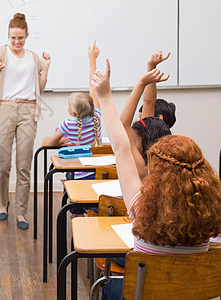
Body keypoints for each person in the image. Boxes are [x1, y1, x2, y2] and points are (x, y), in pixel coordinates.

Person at [91, 59, 221, 300]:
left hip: (147, 293)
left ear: (157, 167)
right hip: (195, 293)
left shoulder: (141, 208)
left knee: (111, 288)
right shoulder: (212, 217)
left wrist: (105, 96)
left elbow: (120, 147)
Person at [0, 13, 51, 229]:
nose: (16, 42)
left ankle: (22, 212)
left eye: (20, 38)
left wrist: (46, 68)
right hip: (5, 109)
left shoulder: (34, 58)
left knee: (24, 165)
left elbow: (40, 88)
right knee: (3, 163)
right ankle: (3, 204)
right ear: (8, 36)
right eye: (13, 38)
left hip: (28, 110)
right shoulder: (1, 52)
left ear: (27, 36)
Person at [48, 41, 103, 180]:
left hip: (77, 176)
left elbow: (51, 143)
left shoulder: (67, 125)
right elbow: (93, 87)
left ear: (72, 112)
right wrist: (92, 60)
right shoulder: (97, 116)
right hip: (96, 174)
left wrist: (67, 140)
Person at [119, 61, 171, 180]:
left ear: (146, 144)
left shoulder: (142, 168)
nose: (130, 142)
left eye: (134, 141)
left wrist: (141, 83)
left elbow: (124, 123)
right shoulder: (167, 165)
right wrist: (151, 69)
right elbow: (149, 103)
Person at [138, 51, 177, 129]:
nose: (139, 123)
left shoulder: (149, 135)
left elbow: (149, 102)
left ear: (159, 118)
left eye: (141, 118)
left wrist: (151, 68)